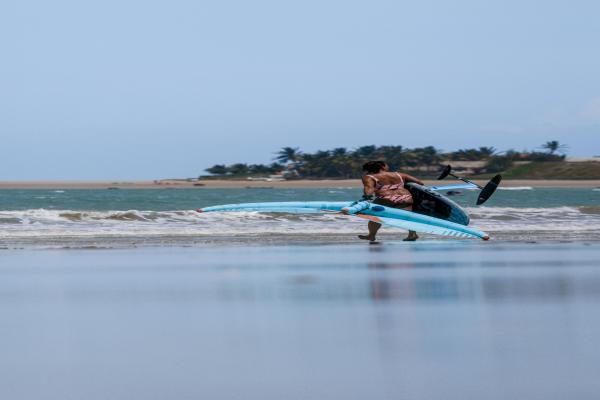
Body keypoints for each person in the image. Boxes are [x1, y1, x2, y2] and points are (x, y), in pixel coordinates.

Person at [354, 160, 424, 242]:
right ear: (382, 166)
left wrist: (367, 196)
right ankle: (412, 234)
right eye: (386, 165)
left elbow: (369, 188)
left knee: (375, 217)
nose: (388, 166)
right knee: (407, 216)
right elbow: (420, 183)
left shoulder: (369, 177)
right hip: (405, 197)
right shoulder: (399, 174)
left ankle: (371, 235)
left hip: (386, 198)